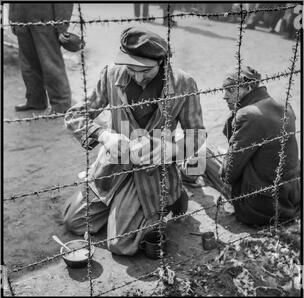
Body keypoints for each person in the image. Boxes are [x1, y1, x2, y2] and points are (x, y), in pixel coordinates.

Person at [63, 26, 205, 256]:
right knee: (75, 222)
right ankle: (124, 206)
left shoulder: (183, 84)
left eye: (146, 71)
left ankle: (171, 198)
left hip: (152, 173)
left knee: (120, 244)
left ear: (162, 62)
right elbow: (74, 115)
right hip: (113, 166)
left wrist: (171, 150)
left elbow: (197, 134)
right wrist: (103, 135)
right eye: (131, 69)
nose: (138, 77)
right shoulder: (111, 74)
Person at [206, 66, 300, 226]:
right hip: (291, 201)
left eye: (230, 90)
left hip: (261, 209)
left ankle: (191, 176)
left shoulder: (248, 115)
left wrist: (235, 116)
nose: (224, 96)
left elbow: (228, 175)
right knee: (226, 153)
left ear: (248, 87)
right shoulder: (284, 105)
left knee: (204, 155)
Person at [9, 4, 73, 113]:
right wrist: (13, 18)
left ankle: (61, 106)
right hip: (21, 20)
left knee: (50, 64)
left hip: (46, 21)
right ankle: (35, 101)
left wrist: (62, 25)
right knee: (28, 65)